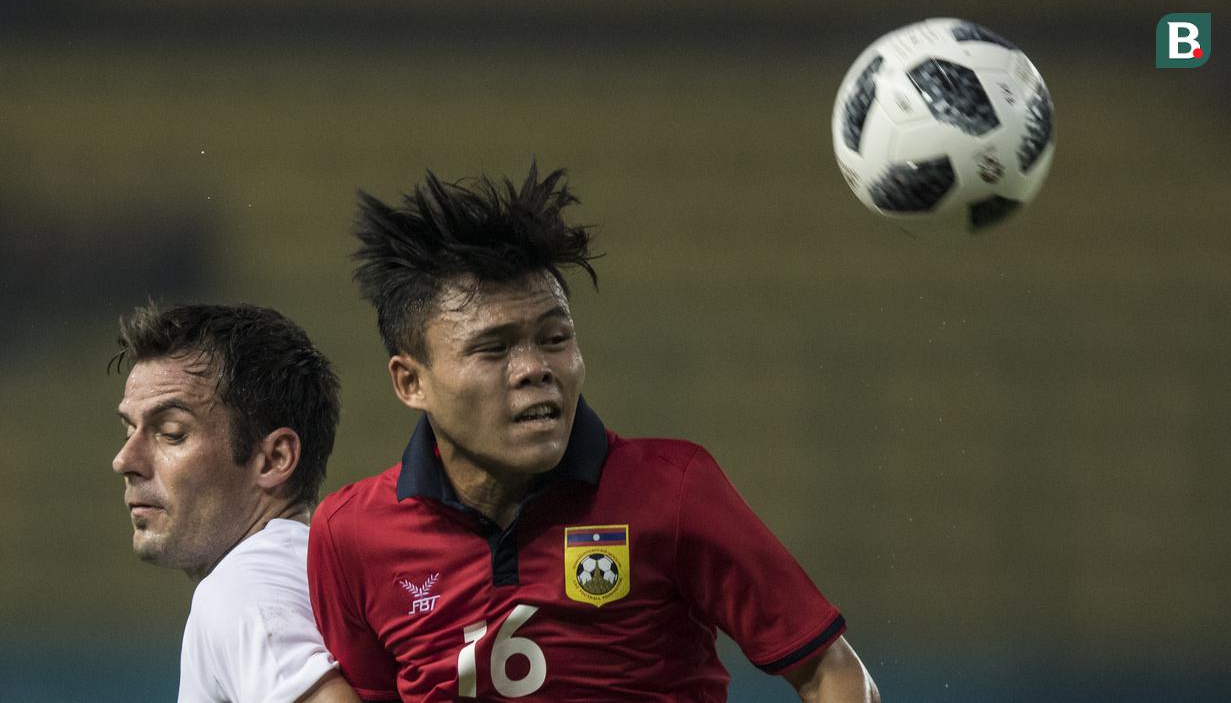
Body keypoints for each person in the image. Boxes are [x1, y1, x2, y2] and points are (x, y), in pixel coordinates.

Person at [307, 166, 880, 702]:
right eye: (494, 348)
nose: (535, 368)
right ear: (411, 382)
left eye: (554, 338)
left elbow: (829, 670)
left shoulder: (674, 490)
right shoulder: (350, 535)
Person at [112, 303, 360, 703]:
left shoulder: (242, 590)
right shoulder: (311, 572)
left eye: (171, 432)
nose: (124, 460)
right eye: (128, 430)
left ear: (274, 458)